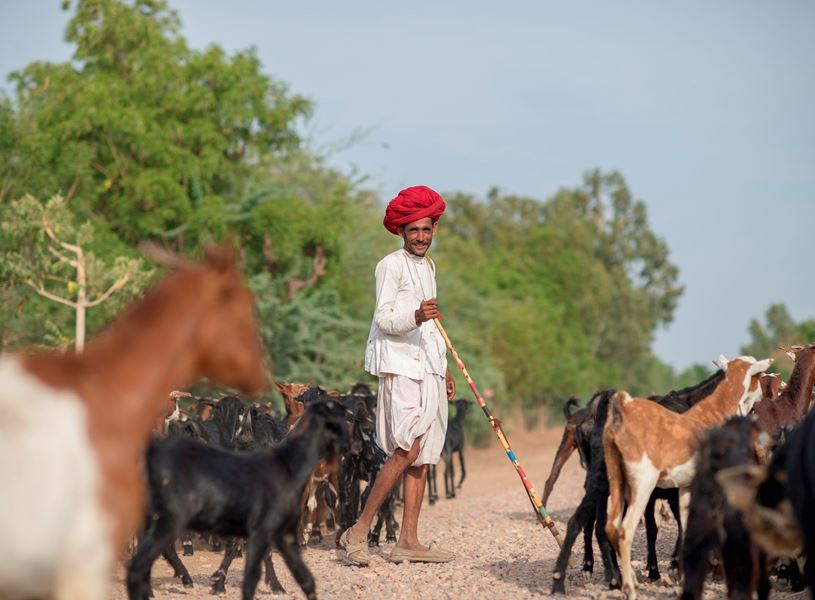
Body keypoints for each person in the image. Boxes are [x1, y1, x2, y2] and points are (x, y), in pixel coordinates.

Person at [339, 185, 457, 565]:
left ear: (434, 229)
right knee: (407, 449)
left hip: (429, 367)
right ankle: (357, 532)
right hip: (401, 367)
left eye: (426, 229)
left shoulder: (430, 266)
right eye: (413, 231)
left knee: (423, 455)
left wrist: (445, 368)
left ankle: (408, 540)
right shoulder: (389, 265)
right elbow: (385, 319)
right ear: (402, 232)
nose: (420, 237)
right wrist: (416, 315)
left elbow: (432, 325)